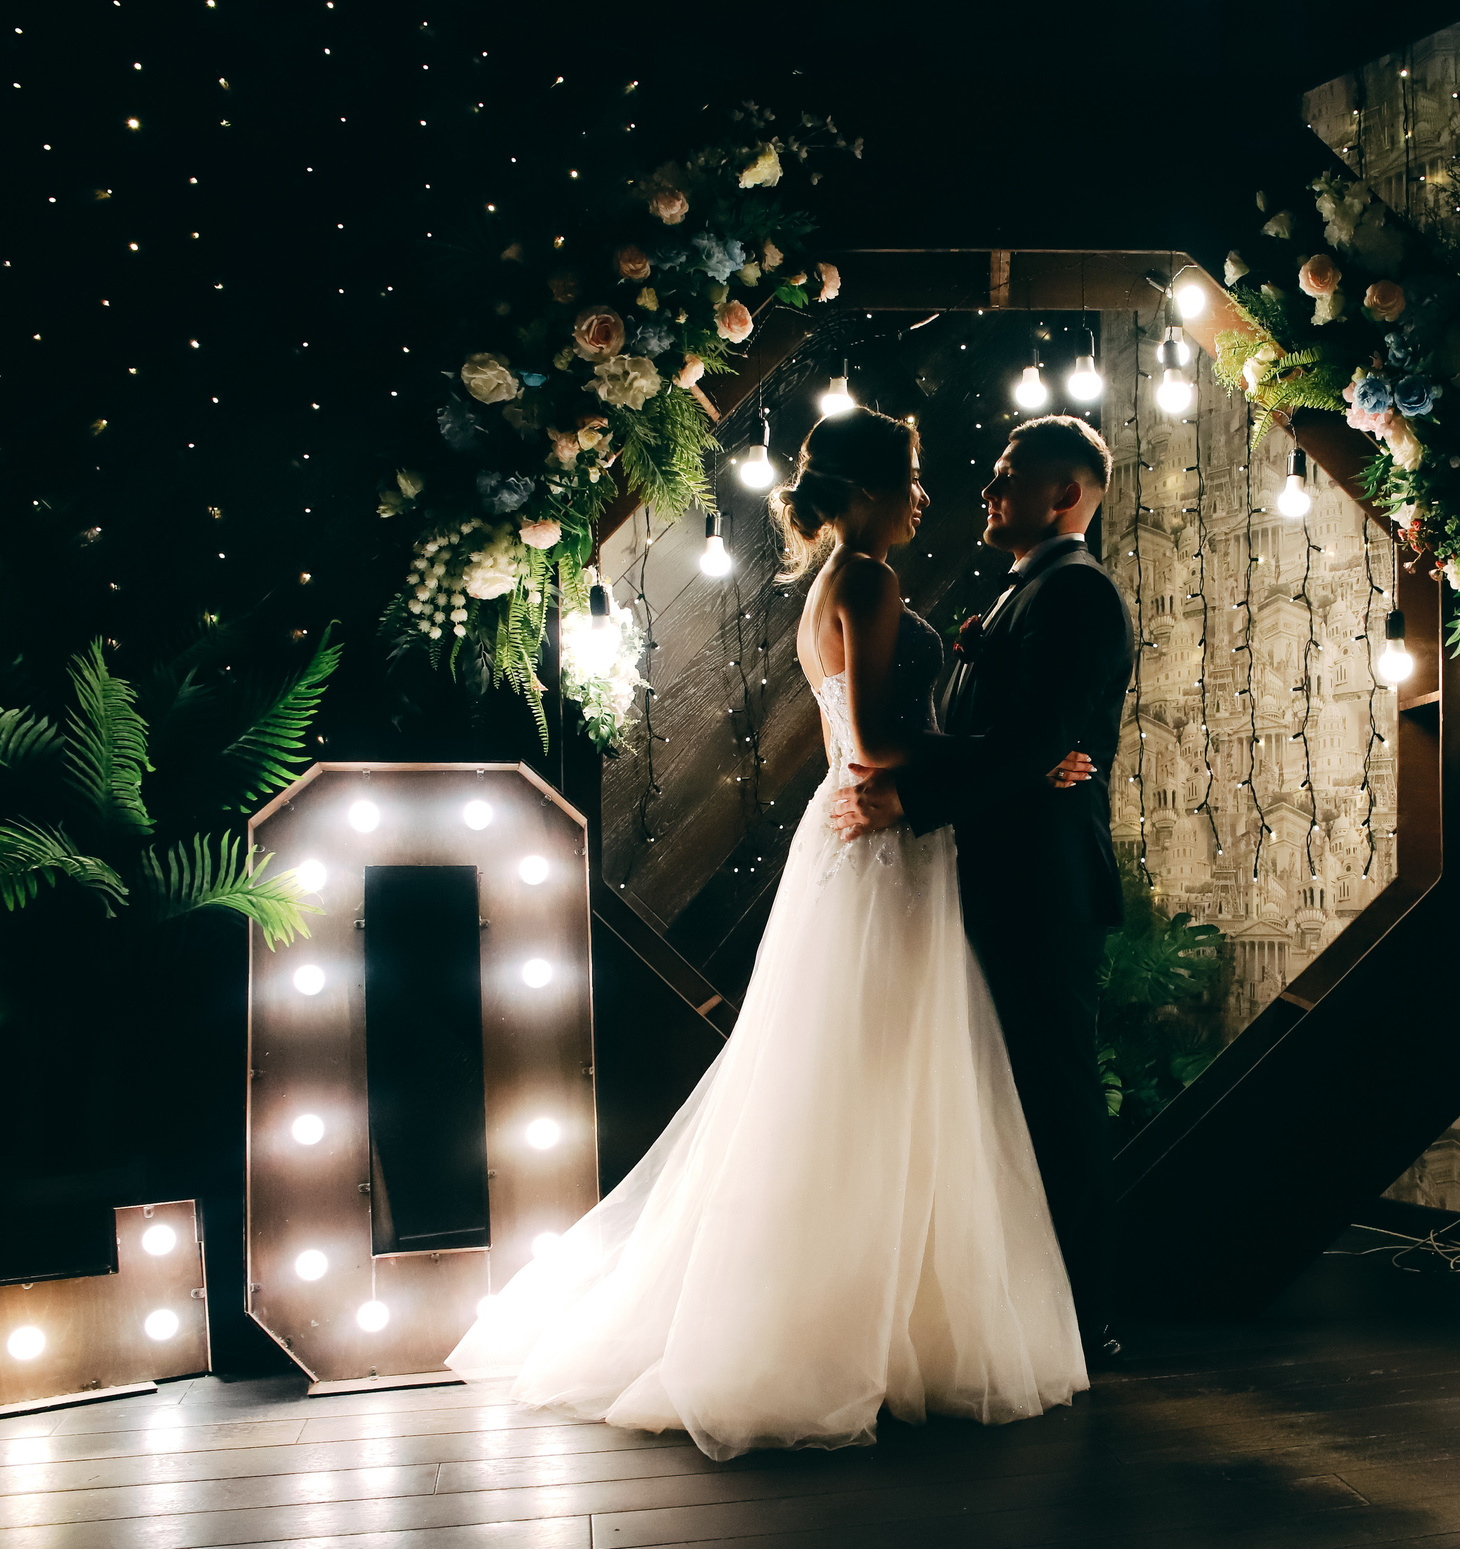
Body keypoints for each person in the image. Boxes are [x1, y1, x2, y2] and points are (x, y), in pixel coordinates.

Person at [446, 407, 1091, 1460]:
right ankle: (856, 1331)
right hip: (879, 840)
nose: (926, 498)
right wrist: (1002, 758)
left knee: (844, 1074)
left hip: (858, 837)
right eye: (913, 477)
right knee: (877, 1071)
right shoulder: (872, 581)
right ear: (870, 490)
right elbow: (879, 740)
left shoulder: (830, 584)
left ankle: (863, 1319)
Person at [832, 414, 1136, 1360]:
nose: (989, 490)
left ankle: (1082, 1320)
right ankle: (1011, 1309)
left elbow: (1039, 736)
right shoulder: (1017, 594)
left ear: (1067, 495)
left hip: (1043, 890)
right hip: (993, 877)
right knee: (1001, 1099)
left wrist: (913, 794)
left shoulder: (1076, 593)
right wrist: (998, 762)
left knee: (1051, 1097)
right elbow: (1011, 740)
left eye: (1011, 476)